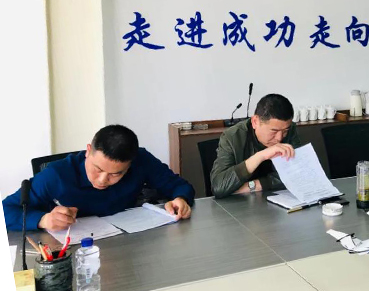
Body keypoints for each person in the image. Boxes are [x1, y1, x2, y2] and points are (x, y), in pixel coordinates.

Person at [3, 124, 195, 231]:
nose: (103, 180)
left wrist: (180, 199)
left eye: (115, 174)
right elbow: (6, 211)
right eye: (97, 168)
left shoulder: (141, 160)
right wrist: (43, 220)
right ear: (88, 151)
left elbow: (180, 185)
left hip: (127, 246)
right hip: (73, 253)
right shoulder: (56, 175)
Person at [211, 94, 300, 198]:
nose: (279, 138)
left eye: (284, 131)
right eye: (274, 131)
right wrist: (260, 156)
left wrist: (253, 186)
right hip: (241, 203)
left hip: (278, 198)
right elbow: (218, 187)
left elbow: (297, 174)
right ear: (255, 122)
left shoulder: (290, 129)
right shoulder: (232, 137)